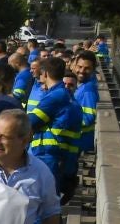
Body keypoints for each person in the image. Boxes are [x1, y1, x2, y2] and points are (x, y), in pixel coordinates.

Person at [26, 56, 84, 199]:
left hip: (48, 156)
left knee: (40, 205)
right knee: (49, 205)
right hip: (59, 157)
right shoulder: (68, 97)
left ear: (45, 74)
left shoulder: (55, 96)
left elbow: (31, 122)